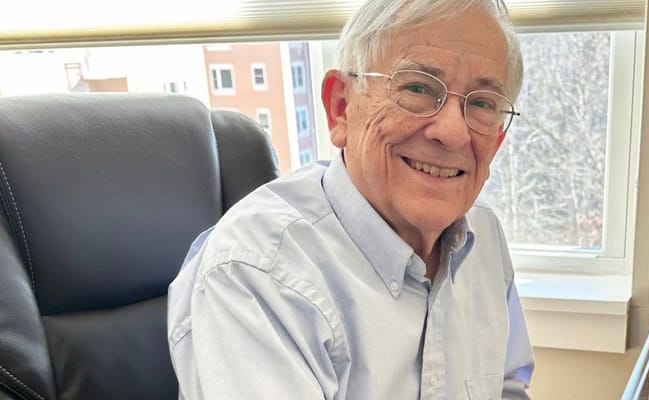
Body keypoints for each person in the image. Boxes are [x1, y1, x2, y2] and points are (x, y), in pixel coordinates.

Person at [167, 0, 534, 398]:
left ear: (498, 140)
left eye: (481, 103)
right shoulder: (256, 273)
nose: (453, 133)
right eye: (417, 88)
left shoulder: (485, 237)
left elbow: (507, 389)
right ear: (341, 108)